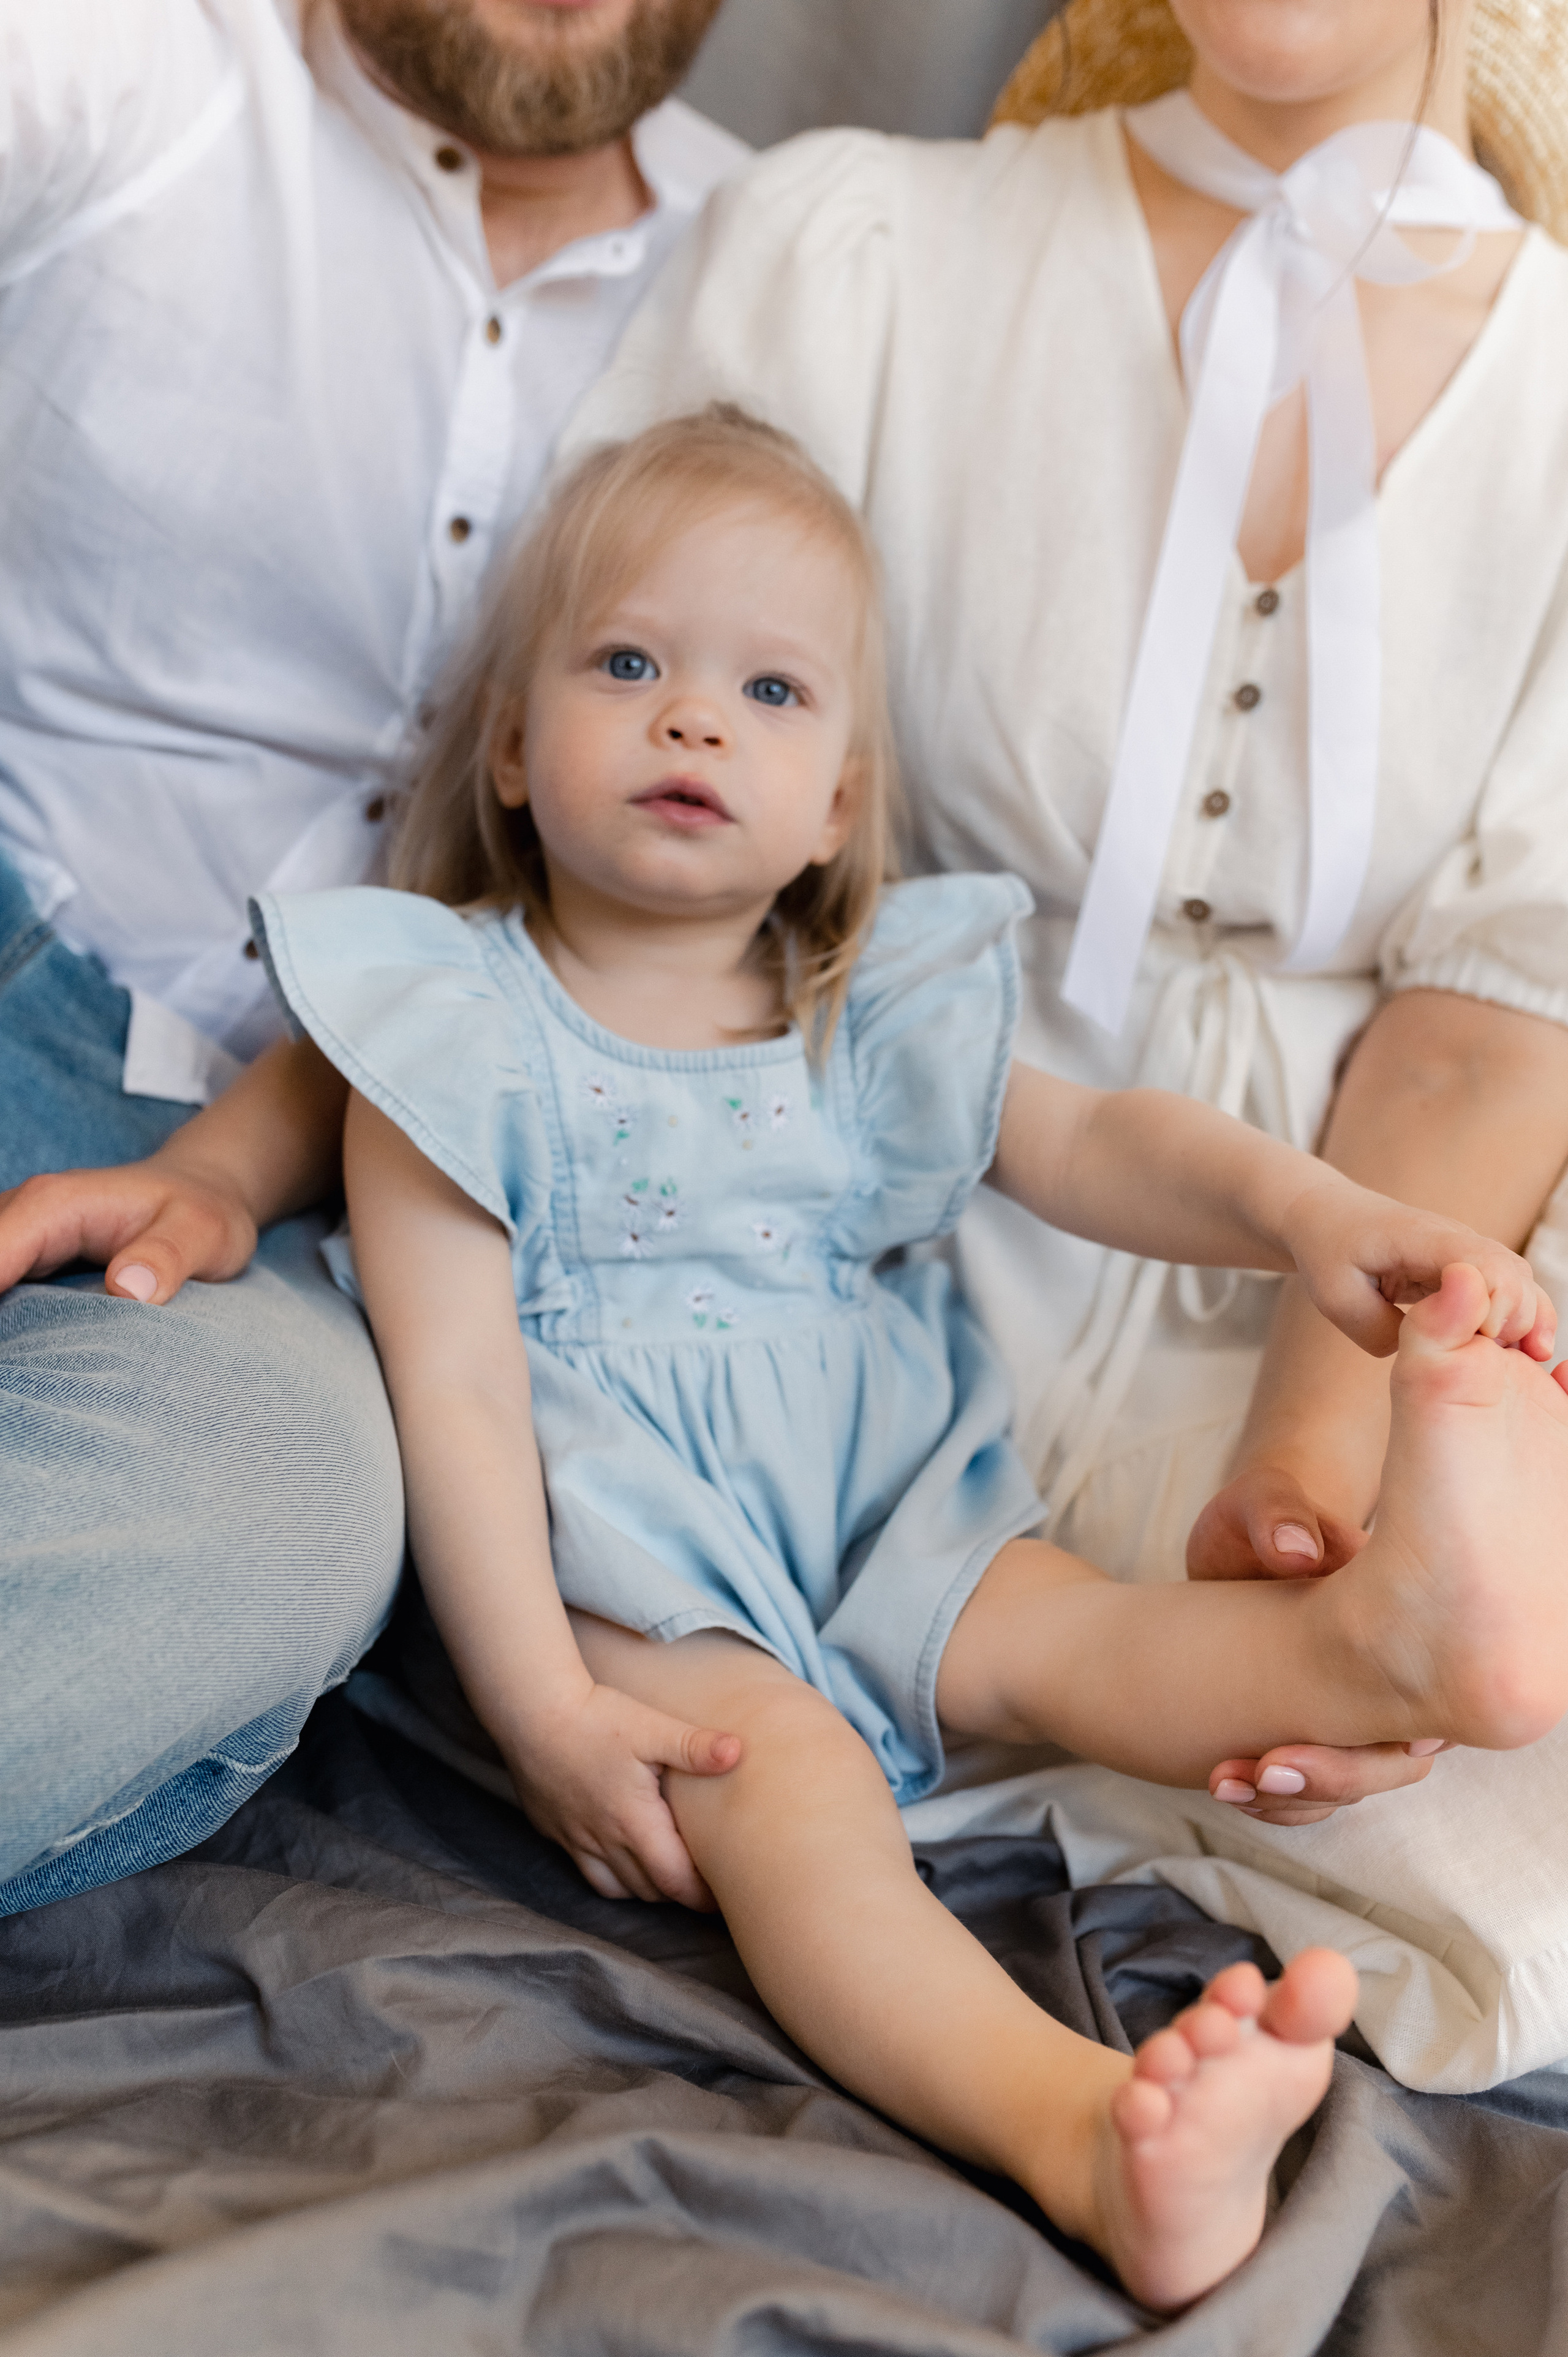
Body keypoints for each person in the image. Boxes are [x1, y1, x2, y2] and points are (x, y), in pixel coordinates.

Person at [247, 405, 1568, 2310]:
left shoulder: (859, 1008)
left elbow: (1099, 1143)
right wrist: (540, 1706)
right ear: (515, 750)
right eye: (628, 665)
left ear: (839, 805)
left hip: (885, 1498)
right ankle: (1081, 2129)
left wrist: (1311, 1217)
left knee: (1071, 1633)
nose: (697, 723)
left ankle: (1391, 1641)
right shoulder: (449, 1023)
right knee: (798, 1799)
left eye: (771, 691)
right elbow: (450, 1389)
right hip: (628, 1561)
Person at [549, 0, 1568, 2073]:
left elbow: (1491, 1027)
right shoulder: (857, 256)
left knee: (1484, 1725)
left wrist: (1316, 1457)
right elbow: (609, 807)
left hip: (1341, 1267)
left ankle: (1364, 1611)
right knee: (684, 1558)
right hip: (869, 1214)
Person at [0, 0, 744, 1912]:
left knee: (272, 1527)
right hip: (27, 920)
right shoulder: (136, 72)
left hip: (331, 1180)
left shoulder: (782, 273)